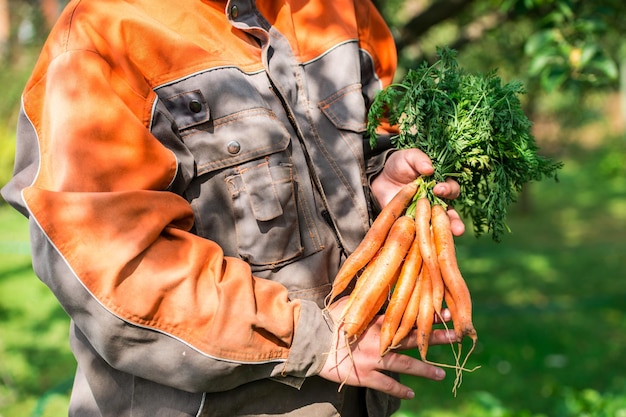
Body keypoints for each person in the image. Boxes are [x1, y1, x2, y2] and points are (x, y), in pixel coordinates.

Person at [1, 0, 465, 416]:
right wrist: (313, 339)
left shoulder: (342, 10)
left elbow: (362, 141)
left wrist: (380, 178)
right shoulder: (105, 34)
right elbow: (113, 268)